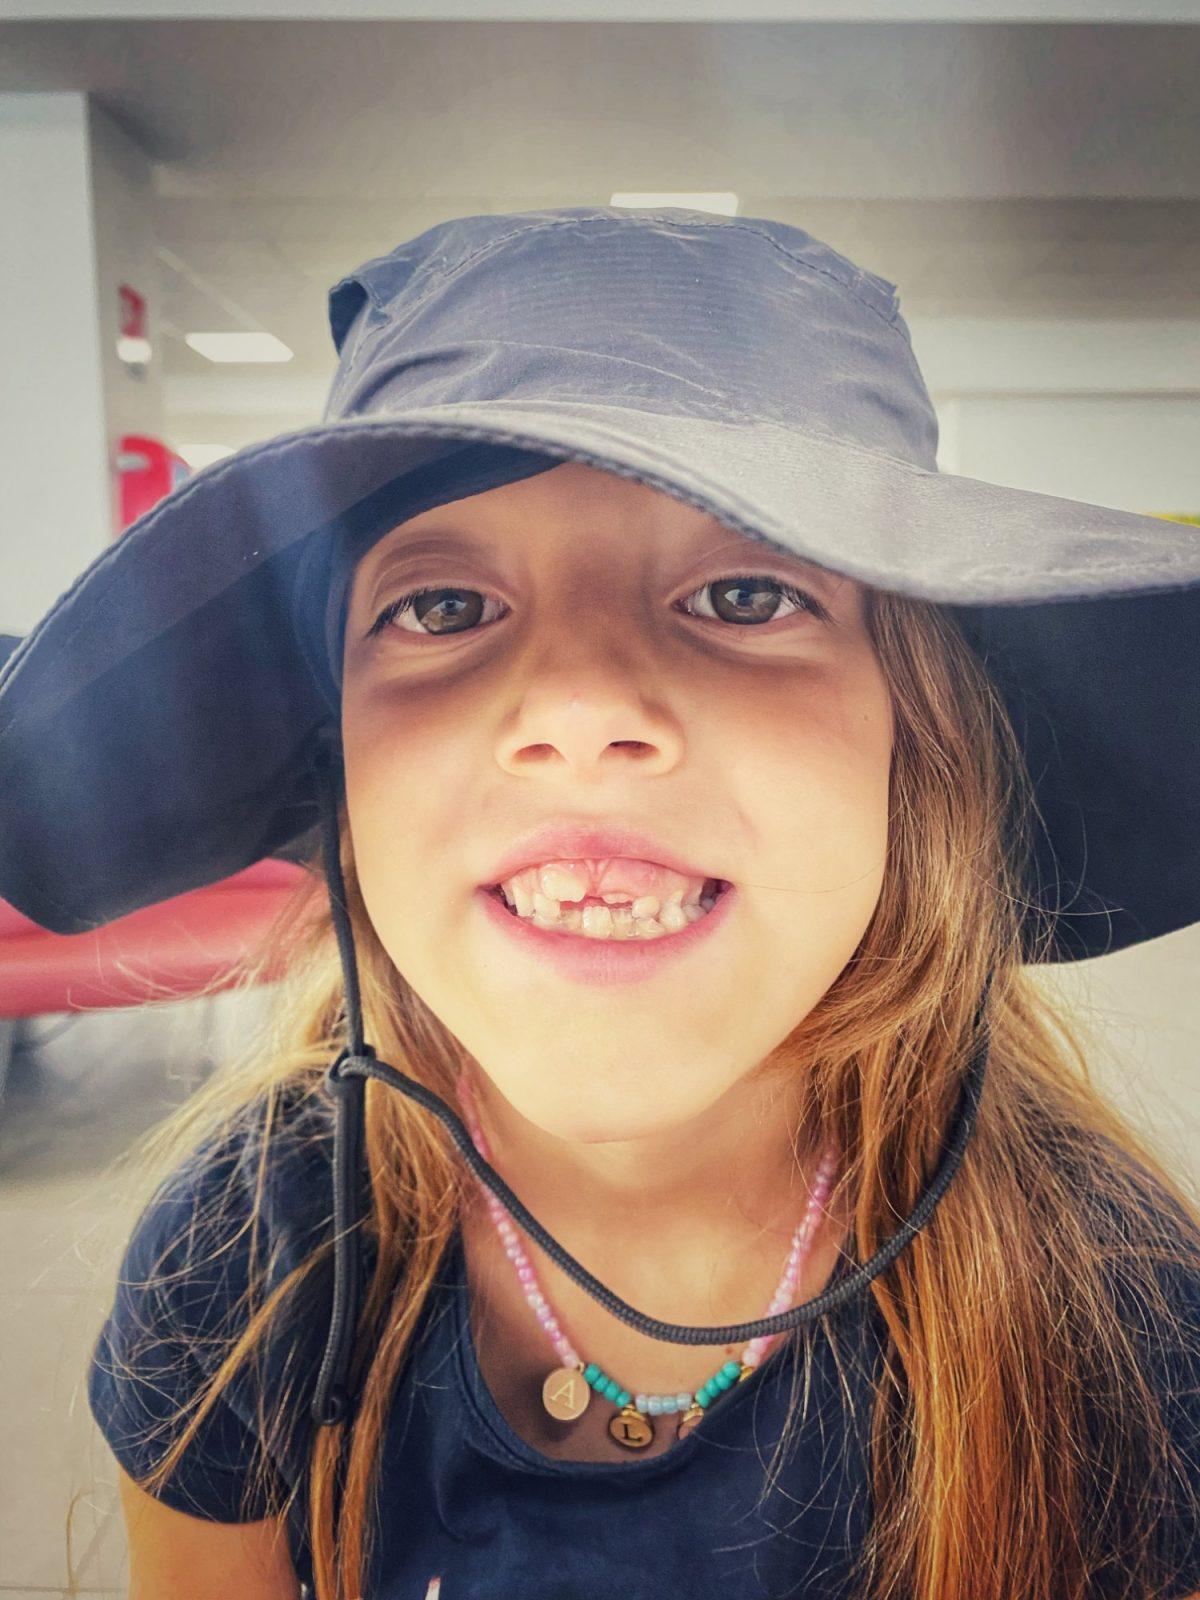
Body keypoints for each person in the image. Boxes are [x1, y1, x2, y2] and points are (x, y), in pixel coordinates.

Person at [1, 206, 1198, 1600]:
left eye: (744, 593)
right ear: (342, 773)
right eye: (441, 609)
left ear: (918, 743)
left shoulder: (1112, 1303)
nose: (577, 710)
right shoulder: (249, 1256)